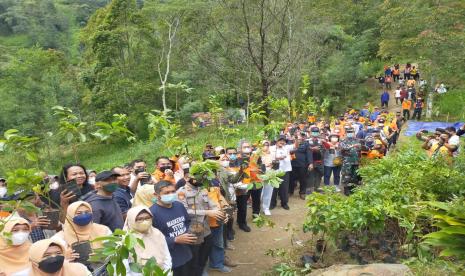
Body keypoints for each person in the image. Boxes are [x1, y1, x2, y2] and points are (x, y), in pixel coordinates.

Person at [177, 175, 223, 276]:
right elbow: (184, 211)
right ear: (188, 177)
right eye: (199, 177)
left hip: (206, 230)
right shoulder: (181, 192)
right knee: (193, 259)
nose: (202, 179)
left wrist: (220, 212)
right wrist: (207, 212)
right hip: (192, 232)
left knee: (204, 256)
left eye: (203, 177)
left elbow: (212, 204)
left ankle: (201, 272)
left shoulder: (202, 189)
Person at [150, 181, 195, 276]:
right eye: (166, 193)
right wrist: (175, 240)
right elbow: (152, 239)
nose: (171, 194)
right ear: (156, 194)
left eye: (173, 191)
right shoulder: (152, 213)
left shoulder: (179, 205)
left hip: (186, 252)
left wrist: (190, 232)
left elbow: (187, 222)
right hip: (170, 259)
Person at [124, 206, 172, 272]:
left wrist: (167, 272)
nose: (145, 222)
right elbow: (124, 269)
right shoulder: (125, 240)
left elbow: (166, 256)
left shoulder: (157, 233)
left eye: (147, 218)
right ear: (132, 220)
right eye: (140, 219)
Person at [235, 140, 261, 232]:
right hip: (243, 184)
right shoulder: (236, 159)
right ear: (240, 149)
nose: (246, 149)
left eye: (248, 147)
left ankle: (256, 215)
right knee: (242, 204)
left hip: (256, 182)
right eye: (244, 147)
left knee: (257, 200)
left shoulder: (256, 156)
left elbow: (261, 167)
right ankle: (241, 222)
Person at [270, 137, 293, 209]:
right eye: (280, 140)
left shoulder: (286, 148)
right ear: (276, 141)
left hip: (284, 171)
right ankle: (272, 203)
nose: (282, 142)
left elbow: (295, 145)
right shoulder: (271, 148)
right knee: (273, 188)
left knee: (284, 188)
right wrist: (277, 158)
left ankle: (284, 203)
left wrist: (297, 138)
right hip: (274, 171)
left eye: (283, 141)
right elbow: (266, 156)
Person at [340, 127, 362, 195]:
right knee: (346, 176)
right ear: (346, 133)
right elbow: (343, 148)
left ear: (354, 133)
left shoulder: (357, 140)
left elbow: (360, 148)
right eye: (349, 132)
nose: (350, 133)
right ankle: (346, 189)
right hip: (347, 162)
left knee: (354, 175)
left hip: (355, 161)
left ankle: (352, 188)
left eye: (351, 132)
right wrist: (352, 146)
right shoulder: (343, 141)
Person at [289, 135, 312, 200]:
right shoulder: (290, 144)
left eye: (299, 138)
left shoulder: (306, 144)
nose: (298, 139)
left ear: (302, 138)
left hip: (302, 165)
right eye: (297, 137)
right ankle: (290, 192)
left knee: (303, 179)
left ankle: (302, 192)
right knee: (291, 179)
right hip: (292, 165)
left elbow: (309, 154)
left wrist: (310, 163)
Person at [307, 127, 325, 193]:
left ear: (319, 133)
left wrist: (320, 150)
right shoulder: (307, 141)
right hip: (311, 161)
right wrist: (312, 149)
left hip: (319, 161)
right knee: (310, 175)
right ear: (311, 133)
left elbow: (325, 149)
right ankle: (309, 190)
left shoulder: (322, 141)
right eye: (314, 132)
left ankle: (316, 188)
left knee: (319, 175)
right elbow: (306, 149)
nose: (315, 133)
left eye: (316, 132)